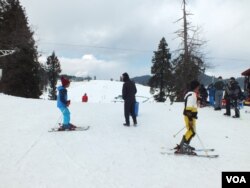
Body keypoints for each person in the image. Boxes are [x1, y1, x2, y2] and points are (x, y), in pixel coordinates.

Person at [174, 80, 200, 155]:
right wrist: (190, 119)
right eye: (198, 87)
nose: (198, 88)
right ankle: (183, 147)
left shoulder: (192, 94)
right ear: (195, 87)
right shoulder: (191, 95)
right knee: (191, 131)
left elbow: (192, 106)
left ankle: (184, 145)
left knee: (192, 132)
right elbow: (188, 109)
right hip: (189, 117)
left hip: (192, 117)